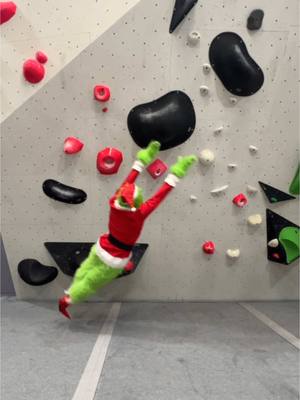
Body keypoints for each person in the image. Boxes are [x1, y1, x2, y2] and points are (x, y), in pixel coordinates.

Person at [59, 141, 197, 318]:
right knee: (91, 282)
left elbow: (129, 180)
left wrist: (143, 160)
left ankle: (71, 290)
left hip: (101, 246)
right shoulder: (139, 214)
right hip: (114, 259)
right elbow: (160, 195)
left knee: (85, 269)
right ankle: (68, 301)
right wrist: (177, 172)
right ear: (137, 202)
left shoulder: (114, 203)